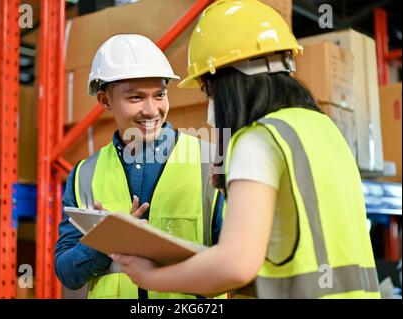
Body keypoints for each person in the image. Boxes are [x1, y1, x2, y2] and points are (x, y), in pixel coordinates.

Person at [111, 0, 382, 299]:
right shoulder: (325, 128)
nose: (210, 104)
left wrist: (152, 277)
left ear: (226, 84)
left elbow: (236, 265)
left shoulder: (258, 140)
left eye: (208, 90)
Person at [54, 34, 225, 299]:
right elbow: (66, 272)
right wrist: (106, 242)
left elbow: (237, 260)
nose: (151, 110)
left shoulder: (212, 161)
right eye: (135, 98)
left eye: (160, 95)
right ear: (104, 100)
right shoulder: (84, 175)